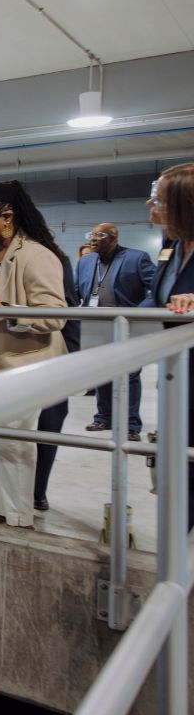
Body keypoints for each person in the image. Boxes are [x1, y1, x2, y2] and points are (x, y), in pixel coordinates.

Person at [0, 180, 68, 529]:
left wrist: (5, 308)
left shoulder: (36, 254)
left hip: (18, 366)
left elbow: (54, 313)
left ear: (7, 218)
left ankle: (20, 519)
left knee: (13, 446)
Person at [76, 222, 155, 441]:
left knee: (129, 375)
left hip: (126, 325)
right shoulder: (86, 261)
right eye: (90, 234)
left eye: (98, 235)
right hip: (95, 324)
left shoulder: (137, 258)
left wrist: (140, 313)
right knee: (101, 373)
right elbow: (75, 291)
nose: (93, 239)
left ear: (113, 237)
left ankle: (130, 424)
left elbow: (155, 288)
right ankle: (103, 417)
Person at [147, 163, 194, 530]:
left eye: (159, 198)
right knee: (180, 471)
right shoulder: (172, 244)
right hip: (177, 372)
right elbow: (157, 298)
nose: (151, 204)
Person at [33, 251, 80, 512]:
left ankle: (38, 490)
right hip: (1, 360)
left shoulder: (54, 258)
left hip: (51, 354)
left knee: (49, 421)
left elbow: (68, 309)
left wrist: (71, 359)